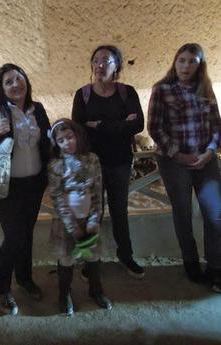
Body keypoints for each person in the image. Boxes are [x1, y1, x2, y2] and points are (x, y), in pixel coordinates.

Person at [0, 63, 51, 315]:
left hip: (34, 183)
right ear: (1, 89)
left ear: (26, 81)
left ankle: (25, 279)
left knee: (26, 234)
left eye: (19, 78)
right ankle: (2, 288)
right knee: (14, 236)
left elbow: (46, 139)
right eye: (9, 82)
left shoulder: (39, 109)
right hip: (6, 186)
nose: (16, 84)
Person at [148, 43, 221, 293]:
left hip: (205, 160)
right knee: (183, 212)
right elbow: (155, 128)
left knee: (215, 213)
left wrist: (210, 151)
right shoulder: (162, 89)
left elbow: (216, 126)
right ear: (175, 62)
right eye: (182, 60)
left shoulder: (206, 89)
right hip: (174, 160)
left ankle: (216, 266)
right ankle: (191, 263)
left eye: (192, 61)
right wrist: (178, 155)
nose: (186, 66)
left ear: (200, 64)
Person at [72, 45, 145, 279]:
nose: (100, 65)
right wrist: (121, 125)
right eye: (96, 61)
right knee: (92, 213)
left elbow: (138, 124)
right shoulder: (82, 94)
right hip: (92, 165)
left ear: (117, 66)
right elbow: (79, 129)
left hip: (120, 162)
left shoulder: (127, 92)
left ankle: (126, 255)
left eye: (106, 60)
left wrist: (100, 126)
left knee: (119, 211)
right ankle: (89, 260)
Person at [48, 118, 113, 316]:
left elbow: (97, 190)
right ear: (56, 144)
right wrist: (72, 226)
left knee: (92, 256)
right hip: (66, 223)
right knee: (67, 259)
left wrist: (94, 220)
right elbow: (57, 197)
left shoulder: (92, 159)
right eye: (61, 140)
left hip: (89, 219)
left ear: (77, 135)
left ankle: (96, 290)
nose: (67, 142)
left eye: (70, 137)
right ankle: (64, 293)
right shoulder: (56, 166)